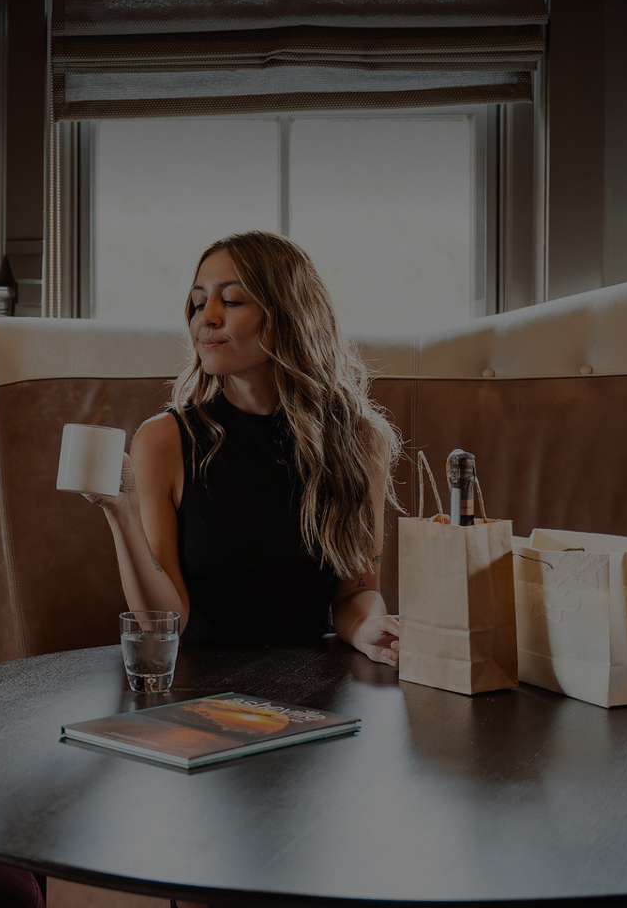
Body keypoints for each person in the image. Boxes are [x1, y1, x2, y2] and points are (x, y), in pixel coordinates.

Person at [84, 231, 403, 666]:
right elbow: (166, 621)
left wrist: (368, 629)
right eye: (198, 303)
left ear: (288, 315)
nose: (206, 318)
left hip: (317, 689)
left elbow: (357, 591)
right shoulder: (164, 440)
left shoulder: (362, 440)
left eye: (231, 301)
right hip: (201, 693)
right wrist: (120, 511)